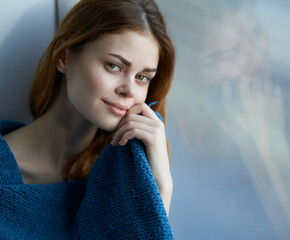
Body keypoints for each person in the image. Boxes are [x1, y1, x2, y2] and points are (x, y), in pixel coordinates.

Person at [0, 0, 174, 238]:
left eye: (143, 77)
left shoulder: (121, 186)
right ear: (63, 58)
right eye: (114, 66)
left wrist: (160, 190)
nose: (129, 90)